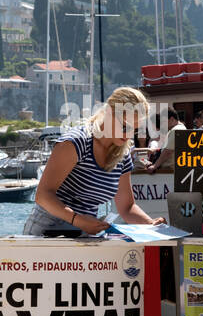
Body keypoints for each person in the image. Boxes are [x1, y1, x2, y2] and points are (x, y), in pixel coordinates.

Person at [24, 86, 164, 235]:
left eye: (134, 130)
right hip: (45, 233)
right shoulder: (76, 142)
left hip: (83, 236)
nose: (129, 135)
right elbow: (43, 195)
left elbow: (127, 207)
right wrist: (77, 220)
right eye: (125, 126)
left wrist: (150, 225)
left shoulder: (122, 155)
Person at [142, 108, 182, 173]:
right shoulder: (181, 128)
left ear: (172, 119)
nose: (162, 125)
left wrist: (154, 166)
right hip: (171, 170)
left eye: (163, 122)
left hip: (169, 171)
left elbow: (168, 152)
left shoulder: (175, 130)